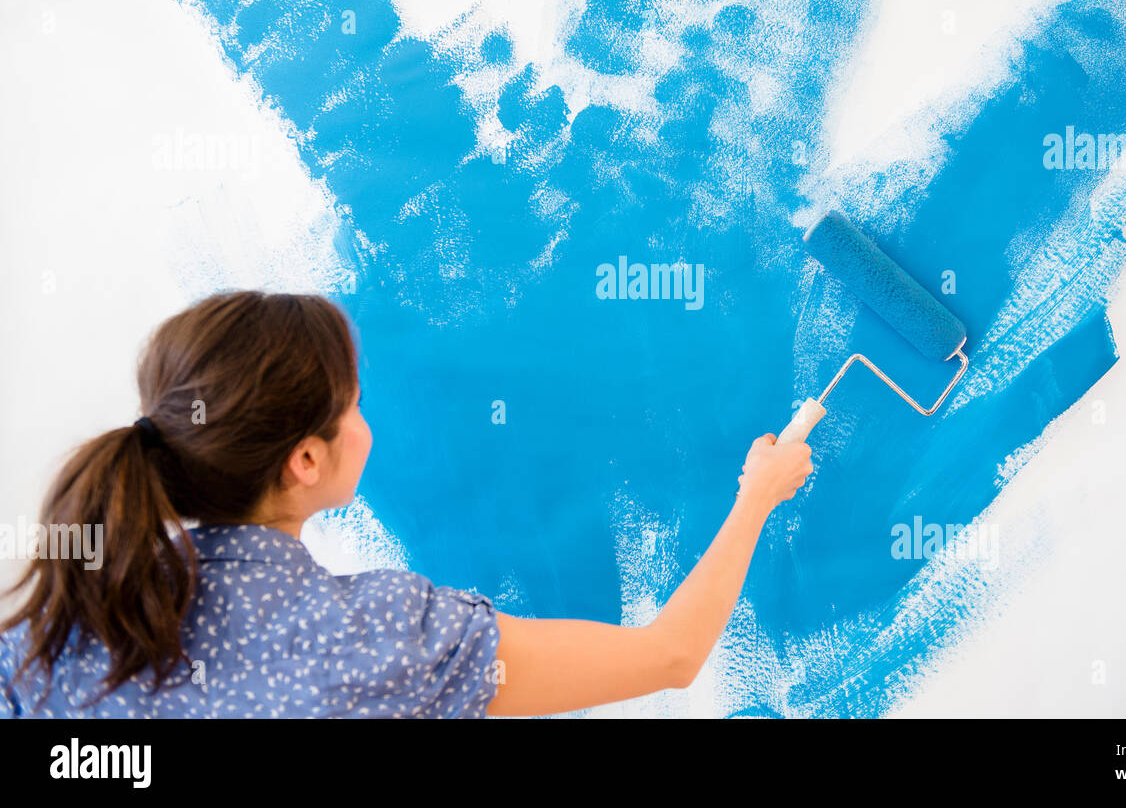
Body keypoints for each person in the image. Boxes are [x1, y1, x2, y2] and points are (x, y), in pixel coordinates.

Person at [0, 290, 813, 717]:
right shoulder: (387, 635)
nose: (366, 421)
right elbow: (667, 657)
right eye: (353, 403)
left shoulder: (59, 626)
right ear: (307, 459)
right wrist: (757, 498)